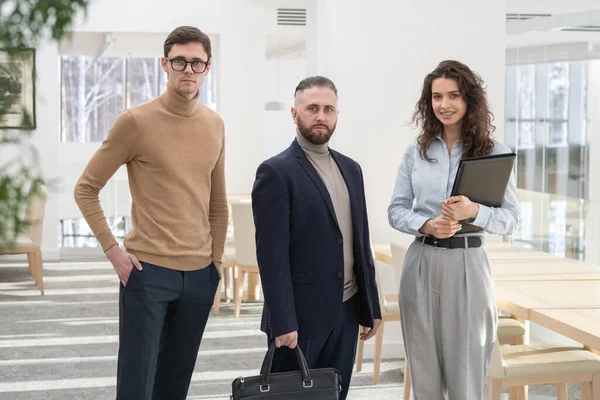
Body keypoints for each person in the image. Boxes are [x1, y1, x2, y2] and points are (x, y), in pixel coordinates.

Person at [74, 26, 227, 400]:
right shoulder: (136, 122)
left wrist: (215, 266)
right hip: (147, 273)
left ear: (207, 68)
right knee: (136, 384)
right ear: (165, 64)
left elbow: (217, 205)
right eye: (179, 61)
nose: (188, 70)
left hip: (199, 275)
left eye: (197, 63)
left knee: (174, 384)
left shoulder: (215, 124)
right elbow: (86, 189)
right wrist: (113, 252)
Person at [388, 60, 520, 400]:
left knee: (466, 373)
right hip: (421, 262)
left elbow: (511, 218)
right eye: (436, 97)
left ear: (469, 100)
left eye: (453, 95)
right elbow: (396, 209)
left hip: (468, 266)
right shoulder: (414, 152)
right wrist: (426, 223)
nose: (444, 104)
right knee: (424, 372)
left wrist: (474, 210)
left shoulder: (495, 151)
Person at [251, 76, 382, 400]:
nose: (321, 116)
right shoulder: (276, 171)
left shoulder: (351, 169)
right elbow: (272, 257)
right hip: (299, 317)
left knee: (334, 395)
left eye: (328, 109)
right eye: (312, 108)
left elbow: (360, 242)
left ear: (337, 114)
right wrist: (283, 321)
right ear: (295, 115)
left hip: (346, 312)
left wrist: (371, 306)